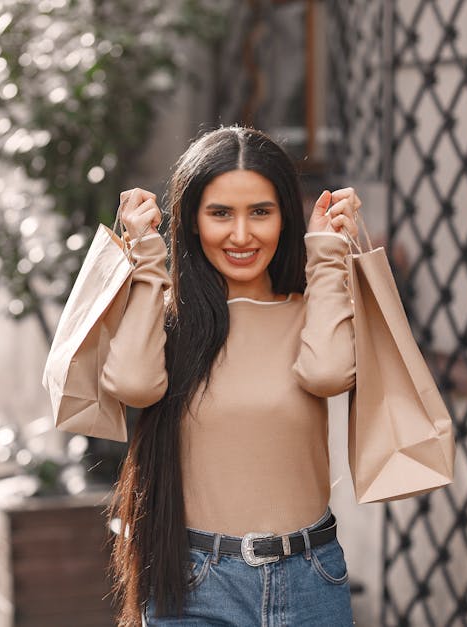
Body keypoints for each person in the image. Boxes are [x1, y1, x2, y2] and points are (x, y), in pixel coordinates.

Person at [104, 126, 361, 626]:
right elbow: (133, 384)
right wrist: (147, 257)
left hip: (310, 577)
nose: (241, 235)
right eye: (220, 213)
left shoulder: (313, 311)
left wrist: (327, 253)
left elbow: (328, 374)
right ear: (192, 220)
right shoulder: (168, 319)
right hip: (196, 583)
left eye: (260, 212)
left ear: (285, 217)